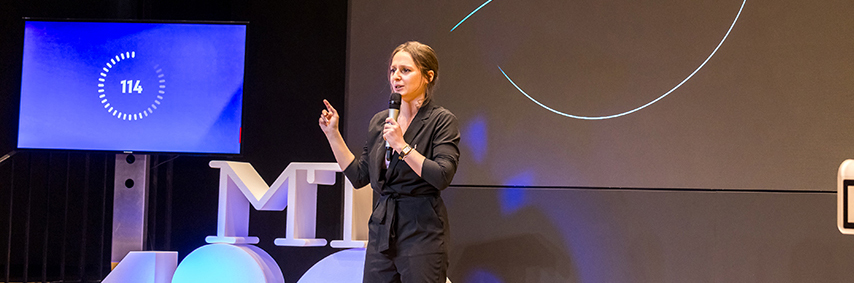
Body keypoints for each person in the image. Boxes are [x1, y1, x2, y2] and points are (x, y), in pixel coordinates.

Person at [319, 41, 460, 283]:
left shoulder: (441, 121)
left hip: (422, 230)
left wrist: (402, 146)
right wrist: (333, 135)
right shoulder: (379, 121)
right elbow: (359, 176)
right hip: (382, 231)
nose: (396, 77)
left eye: (405, 70)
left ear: (428, 76)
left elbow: (442, 176)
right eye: (393, 70)